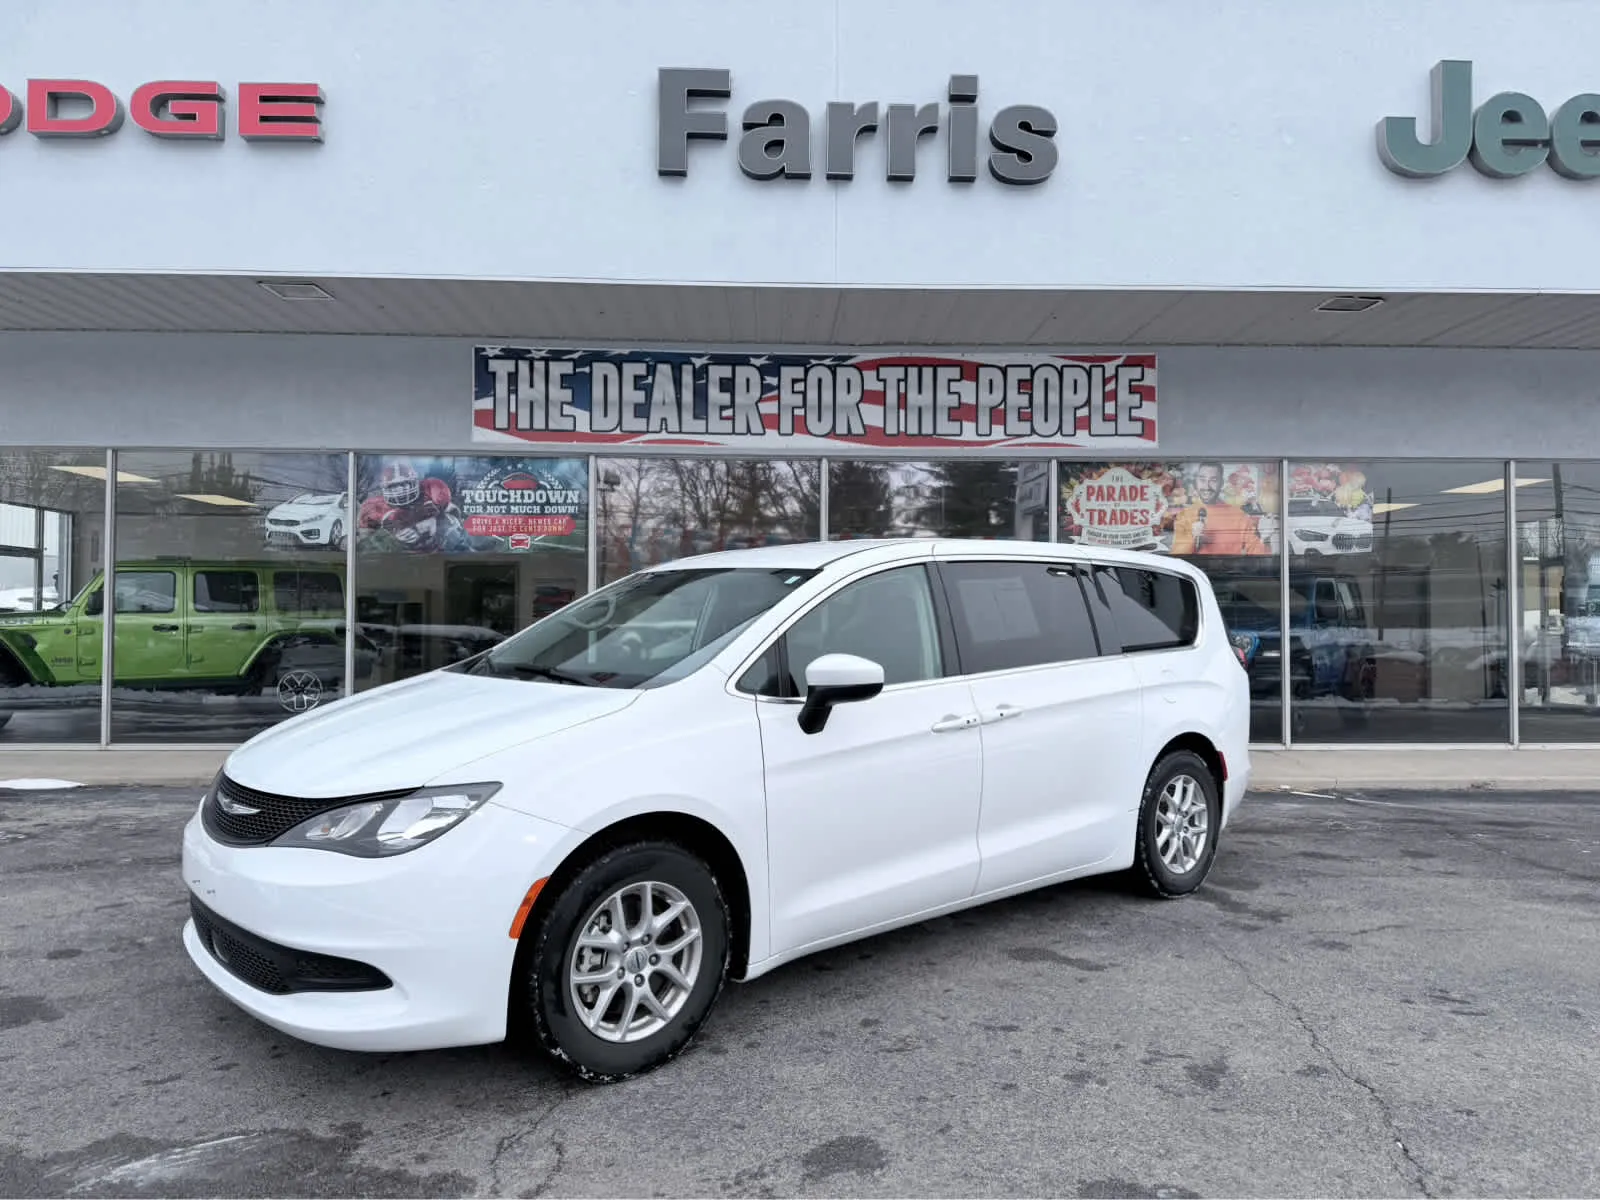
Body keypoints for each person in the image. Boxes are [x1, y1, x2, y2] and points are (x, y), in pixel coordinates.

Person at [1169, 462, 1271, 556]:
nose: (1206, 486)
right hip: (1195, 575)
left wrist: (1267, 540)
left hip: (1228, 574)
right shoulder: (1184, 516)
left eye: (1213, 480)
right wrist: (1192, 538)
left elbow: (1258, 552)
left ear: (1221, 483)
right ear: (1196, 482)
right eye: (1202, 480)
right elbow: (1176, 557)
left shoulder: (1238, 516)